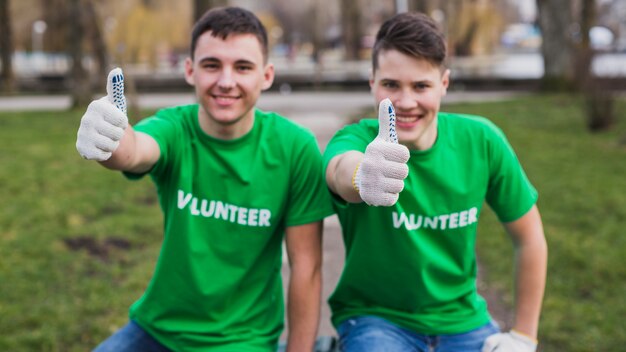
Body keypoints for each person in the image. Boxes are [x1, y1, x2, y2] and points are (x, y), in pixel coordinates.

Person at [76, 7, 334, 352]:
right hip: (156, 329)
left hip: (242, 339)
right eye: (212, 65)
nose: (226, 81)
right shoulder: (175, 128)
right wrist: (109, 140)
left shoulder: (295, 148)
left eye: (243, 67)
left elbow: (307, 268)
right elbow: (135, 150)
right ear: (190, 70)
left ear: (267, 75)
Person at [323, 12, 548, 352]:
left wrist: (524, 336)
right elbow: (340, 170)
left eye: (421, 85)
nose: (406, 102)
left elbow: (529, 237)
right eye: (391, 85)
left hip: (463, 320)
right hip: (376, 319)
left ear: (444, 83)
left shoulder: (482, 140)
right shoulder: (355, 140)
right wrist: (362, 175)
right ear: (372, 82)